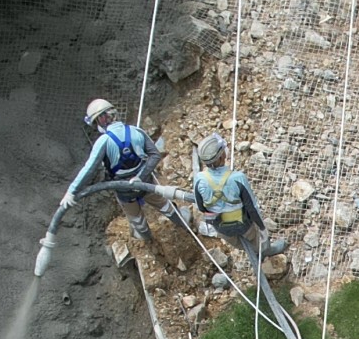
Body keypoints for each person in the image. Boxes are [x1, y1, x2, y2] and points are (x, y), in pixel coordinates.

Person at [60, 99, 188, 242]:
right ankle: (185, 225)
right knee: (166, 206)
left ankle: (147, 238)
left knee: (137, 220)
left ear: (102, 120)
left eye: (96, 122)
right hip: (146, 182)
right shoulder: (136, 131)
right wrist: (140, 177)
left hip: (123, 189)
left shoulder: (103, 141)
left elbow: (89, 169)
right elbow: (155, 155)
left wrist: (71, 191)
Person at [193, 132, 287, 261]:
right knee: (256, 239)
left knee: (236, 241)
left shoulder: (199, 179)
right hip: (243, 224)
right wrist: (262, 228)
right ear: (221, 157)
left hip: (220, 227)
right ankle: (264, 251)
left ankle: (248, 249)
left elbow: (201, 206)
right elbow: (251, 208)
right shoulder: (238, 178)